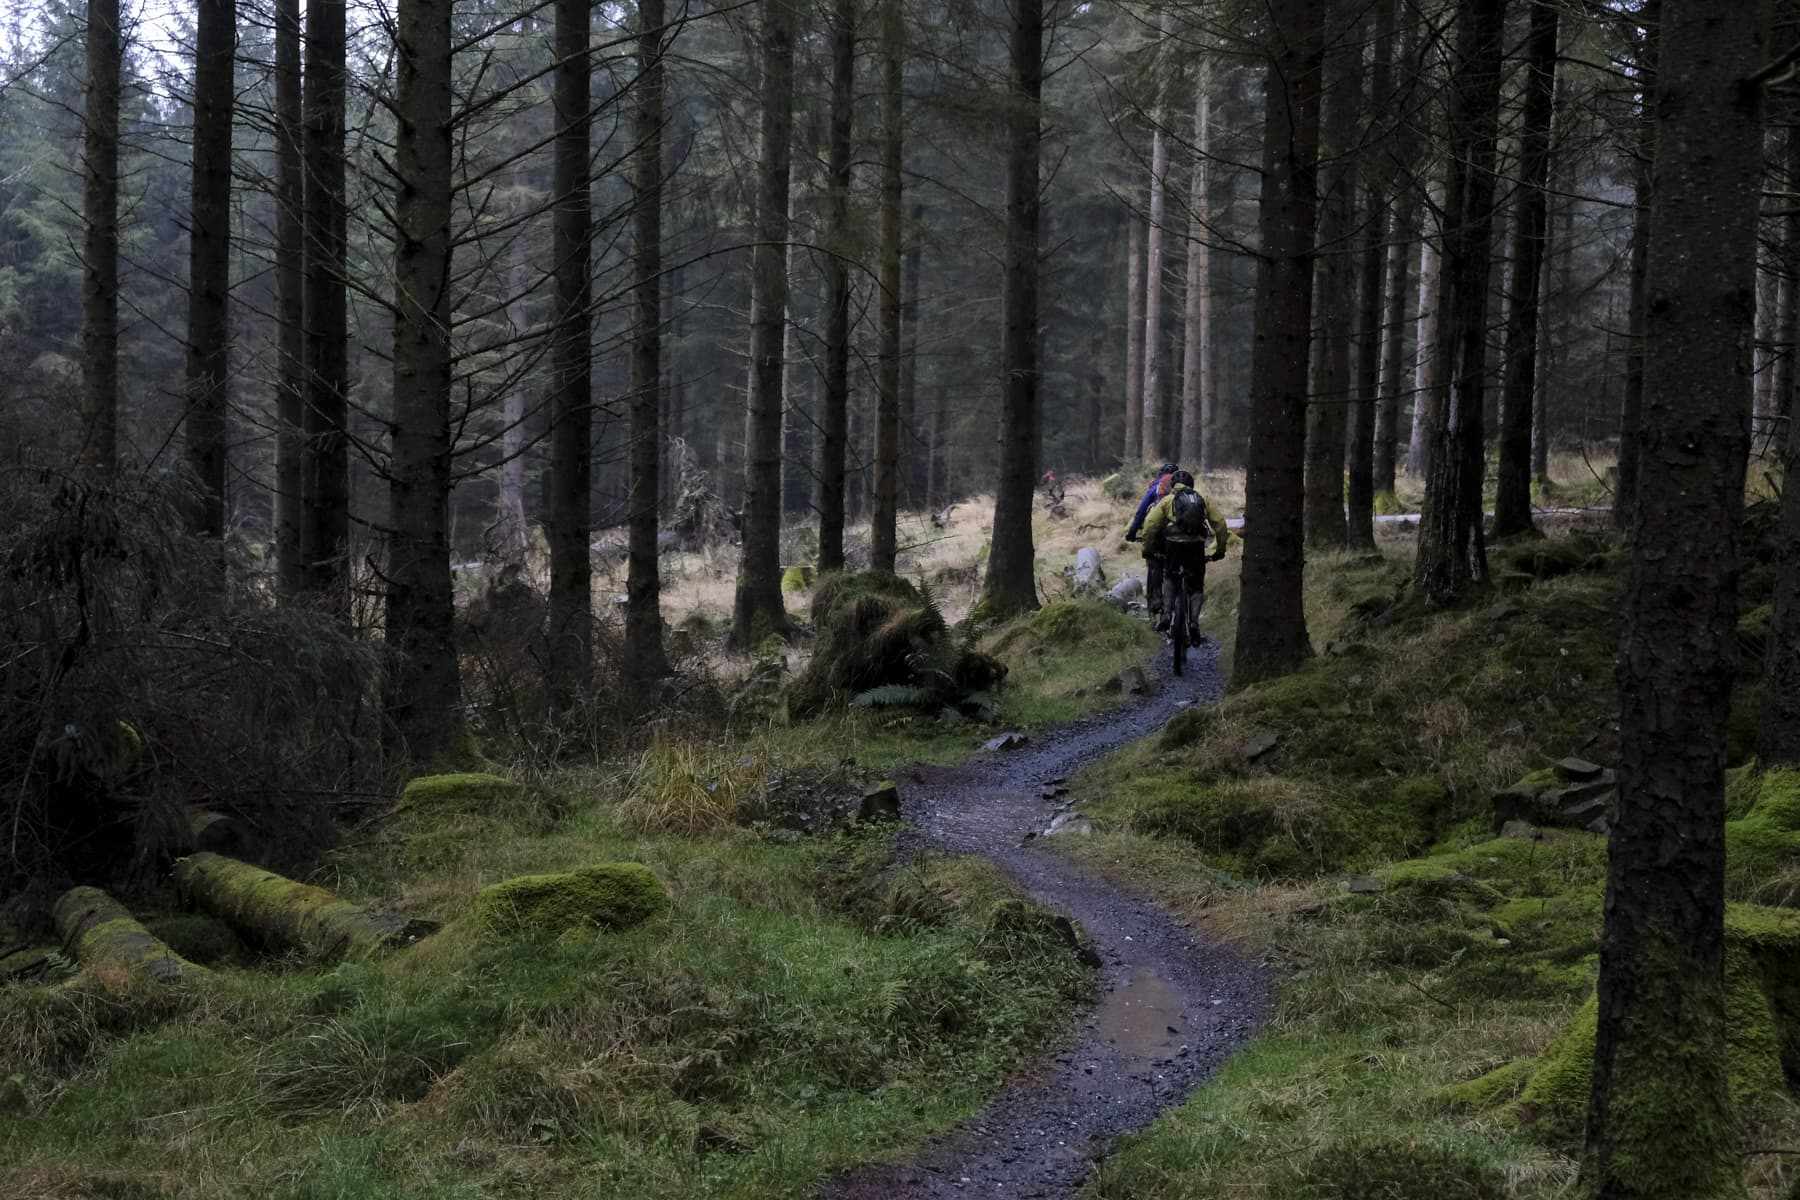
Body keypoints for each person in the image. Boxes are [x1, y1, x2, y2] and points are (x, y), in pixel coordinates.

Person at [1140, 469, 1232, 637]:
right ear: (1192, 485)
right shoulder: (1203, 499)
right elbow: (1220, 524)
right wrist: (1220, 551)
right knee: (1196, 585)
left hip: (1173, 545)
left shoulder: (1168, 500)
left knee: (1170, 578)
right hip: (1196, 546)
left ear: (1173, 485)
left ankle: (1166, 615)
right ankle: (1194, 622)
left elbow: (1150, 525)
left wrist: (1148, 549)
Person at [1123, 462, 1178, 621]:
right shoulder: (1185, 488)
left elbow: (1141, 512)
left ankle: (1156, 600)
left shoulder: (1156, 487)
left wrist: (1132, 532)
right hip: (1183, 534)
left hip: (1159, 535)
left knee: (1155, 563)